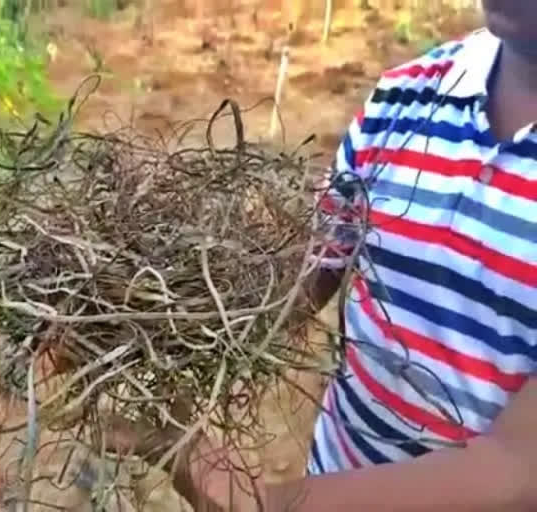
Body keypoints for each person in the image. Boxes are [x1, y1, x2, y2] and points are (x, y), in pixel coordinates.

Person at [108, 1, 537, 510]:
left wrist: (264, 502)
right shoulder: (409, 93)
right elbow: (303, 278)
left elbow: (517, 468)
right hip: (332, 472)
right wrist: (133, 305)